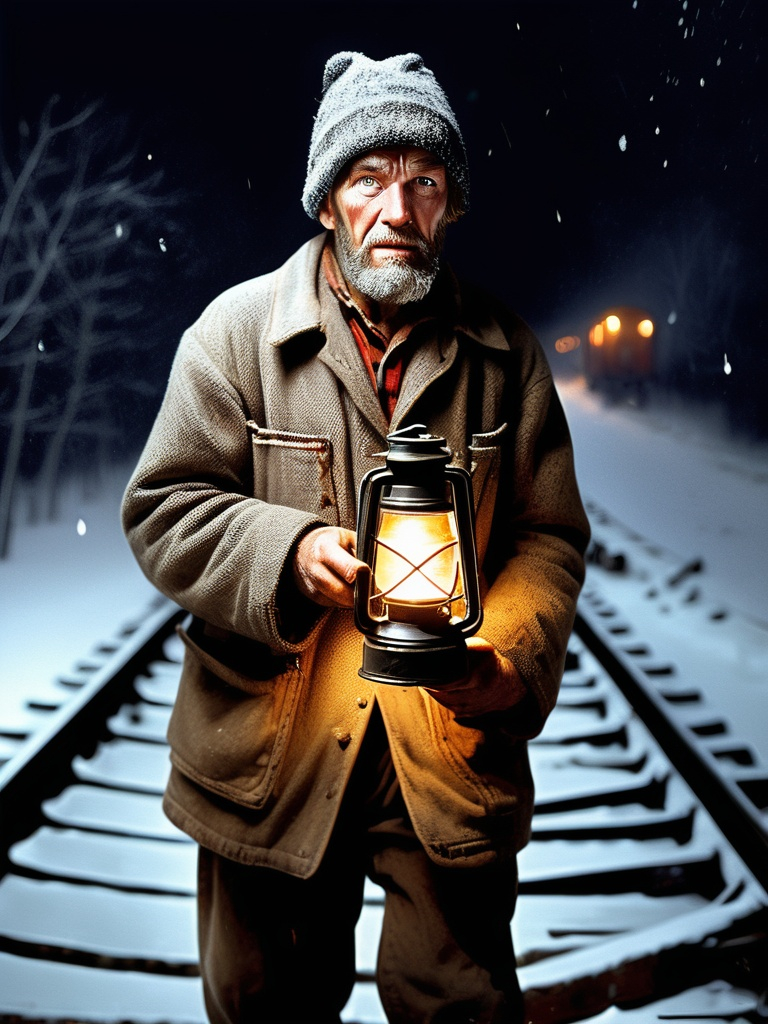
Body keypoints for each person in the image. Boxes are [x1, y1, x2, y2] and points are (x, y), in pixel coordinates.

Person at [121, 51, 590, 1024]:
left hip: (446, 747)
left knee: (460, 1003)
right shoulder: (234, 335)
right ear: (327, 201)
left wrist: (502, 658)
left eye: (423, 182)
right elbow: (163, 505)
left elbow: (547, 537)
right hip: (270, 752)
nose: (396, 207)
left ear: (452, 205)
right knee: (266, 1006)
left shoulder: (505, 356)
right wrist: (287, 554)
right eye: (369, 178)